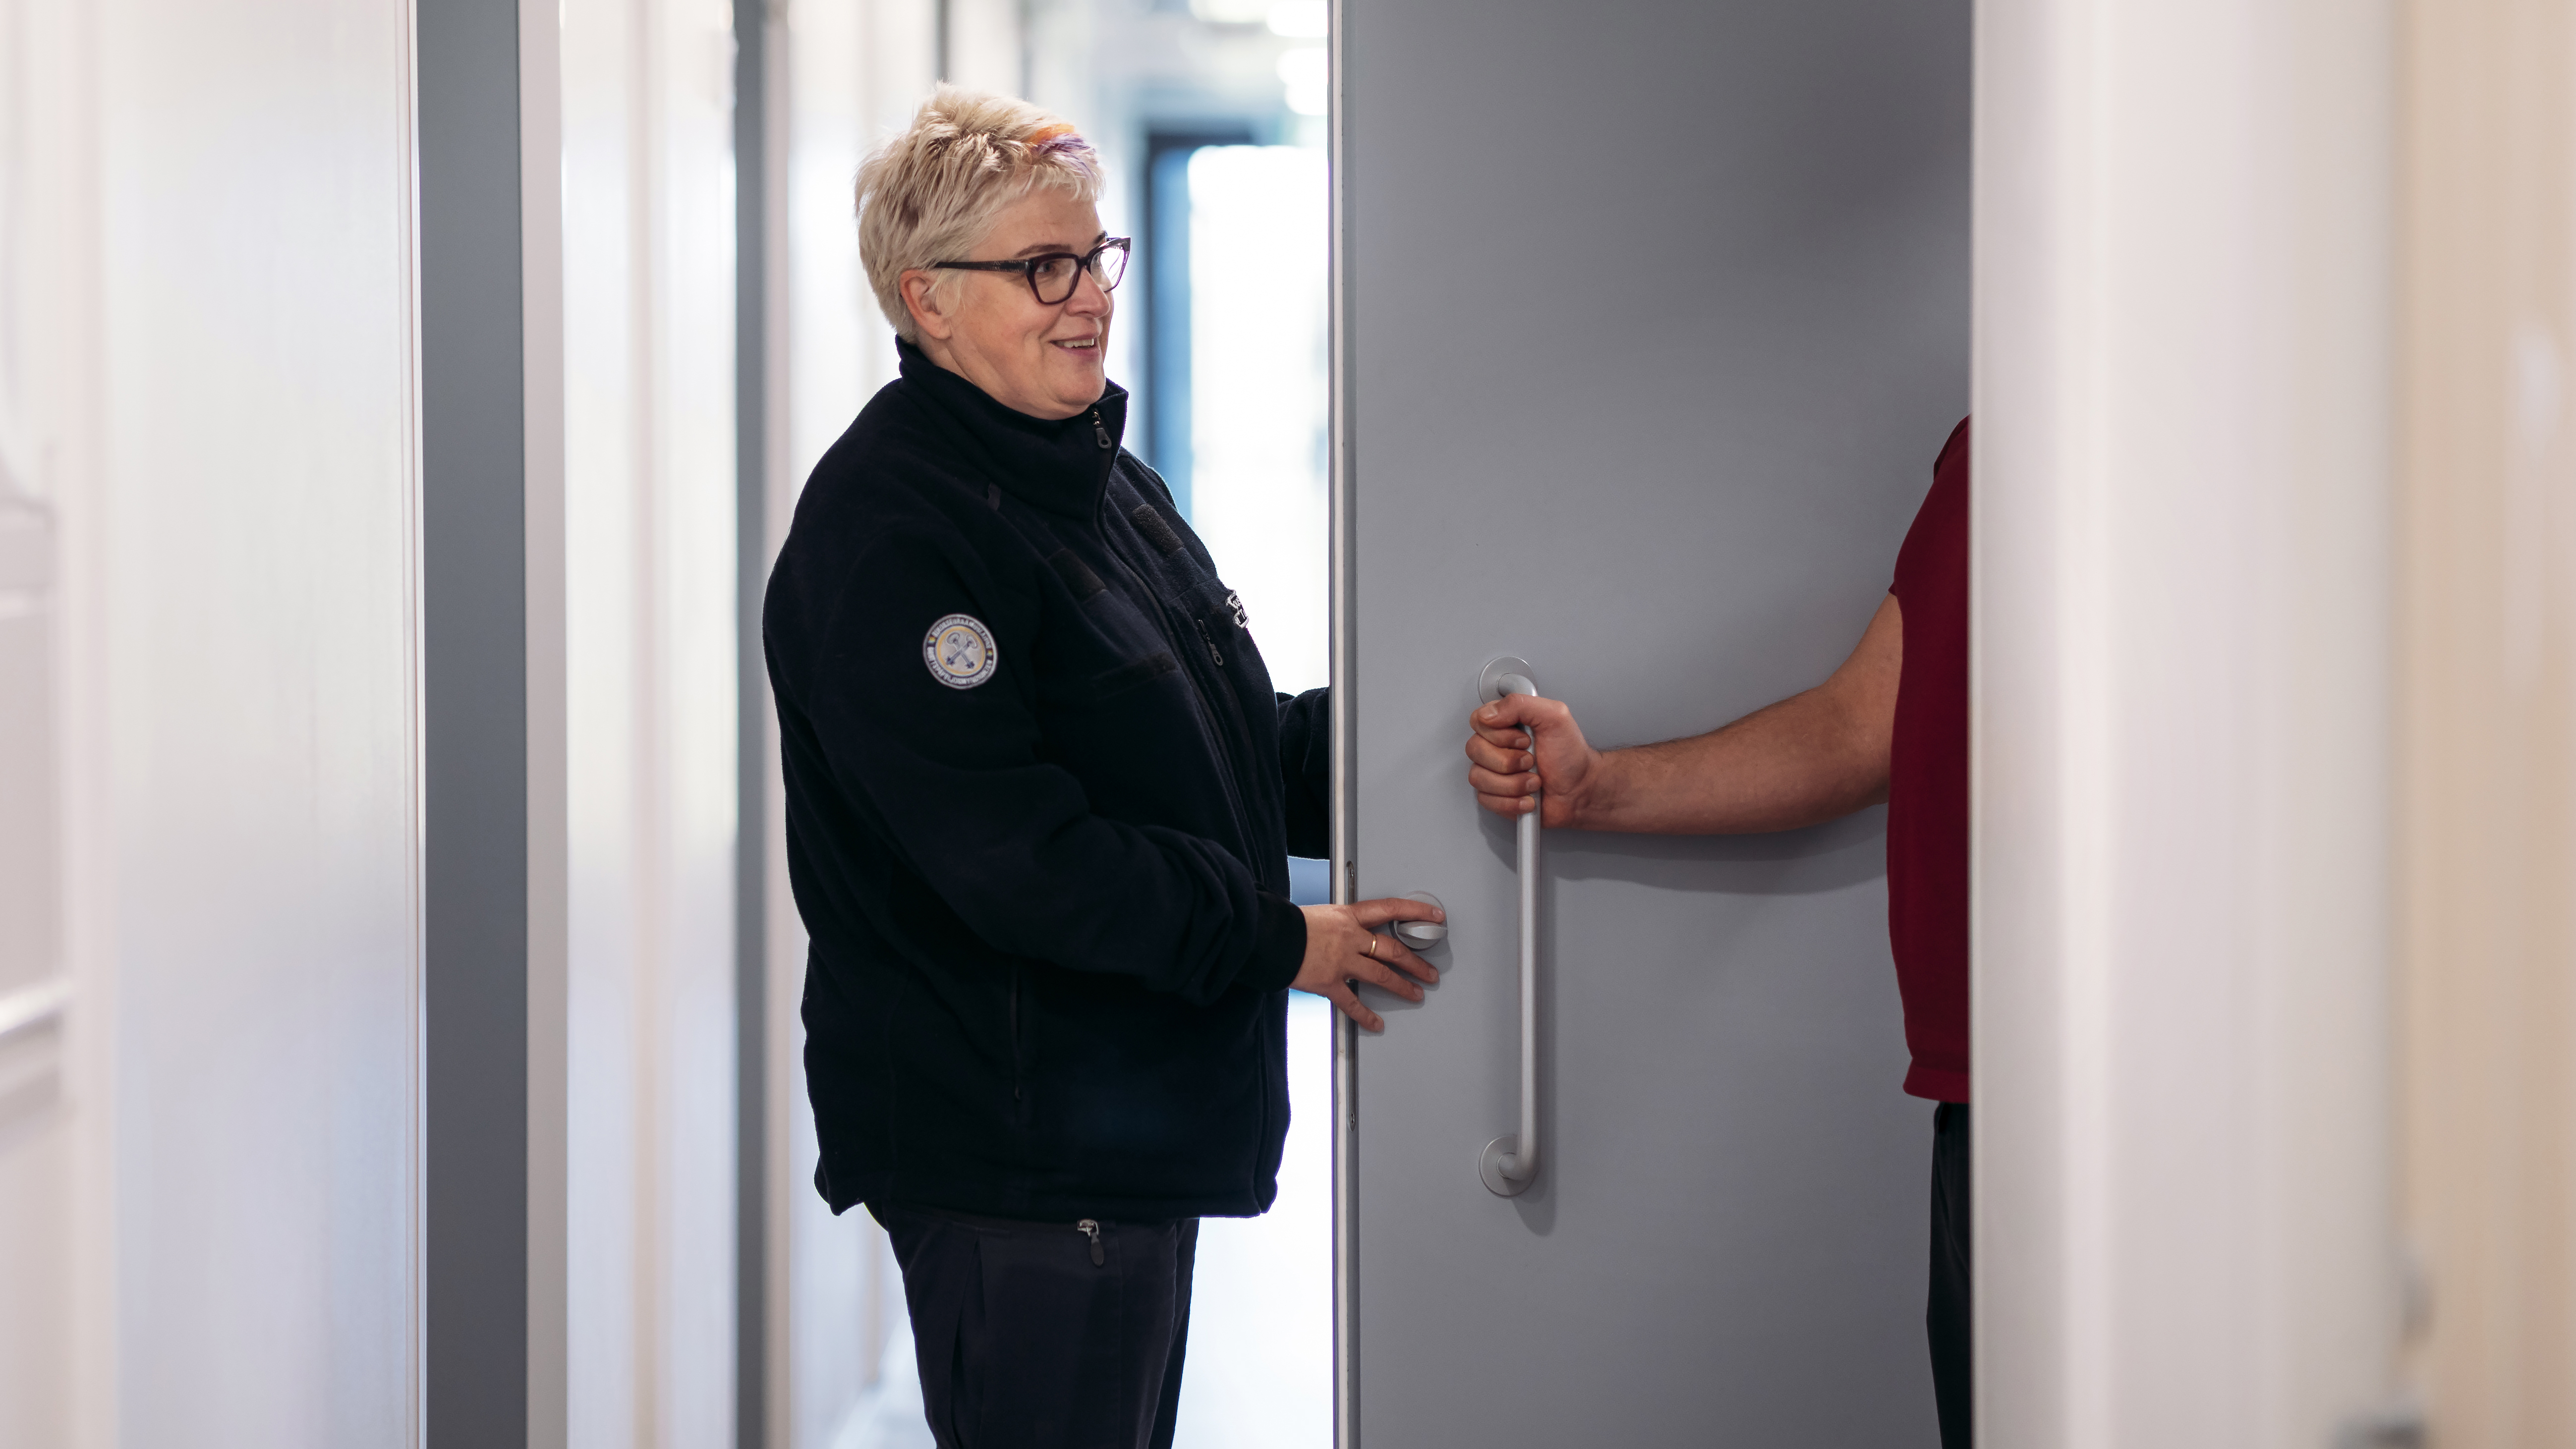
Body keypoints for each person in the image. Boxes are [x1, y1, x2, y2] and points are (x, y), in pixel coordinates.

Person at [762, 88, 1440, 1449]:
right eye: (1039, 268)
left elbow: (1234, 743)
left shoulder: (1095, 487)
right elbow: (1020, 859)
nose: (1086, 298)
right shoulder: (893, 532)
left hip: (1125, 1133)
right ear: (927, 300)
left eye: (1093, 257)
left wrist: (1429, 759)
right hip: (1020, 1157)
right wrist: (1272, 939)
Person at [1463, 418, 1972, 1449]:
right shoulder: (1991, 448)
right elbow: (1859, 725)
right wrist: (1599, 789)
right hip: (1978, 1095)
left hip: (2147, 1099)